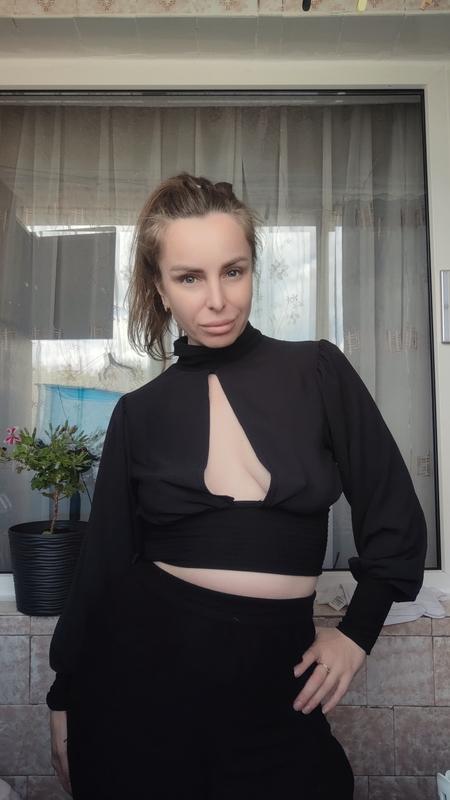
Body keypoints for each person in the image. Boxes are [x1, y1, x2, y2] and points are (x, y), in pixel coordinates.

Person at [47, 173, 427, 799]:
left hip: (277, 693)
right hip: (141, 691)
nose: (217, 300)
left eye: (233, 271)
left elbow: (394, 516)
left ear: (253, 269)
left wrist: (357, 633)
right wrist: (64, 696)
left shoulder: (317, 370)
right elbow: (103, 567)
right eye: (189, 278)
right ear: (159, 287)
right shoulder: (139, 414)